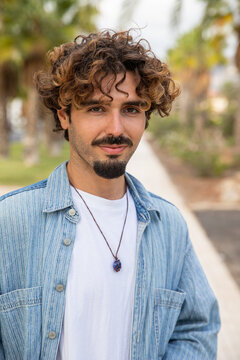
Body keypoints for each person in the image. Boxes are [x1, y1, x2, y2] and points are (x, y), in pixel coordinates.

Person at [0, 30, 220, 360]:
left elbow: (195, 329)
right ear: (65, 116)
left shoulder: (168, 225)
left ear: (146, 118)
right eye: (96, 108)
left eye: (131, 109)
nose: (115, 128)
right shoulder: (10, 222)